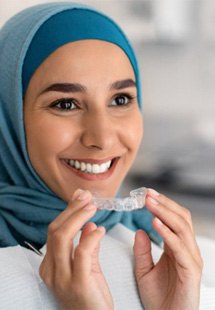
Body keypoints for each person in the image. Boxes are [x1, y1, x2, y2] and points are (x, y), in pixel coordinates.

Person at [0, 2, 203, 309]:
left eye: (120, 99)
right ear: (9, 116)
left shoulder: (171, 257)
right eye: (66, 104)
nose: (102, 138)